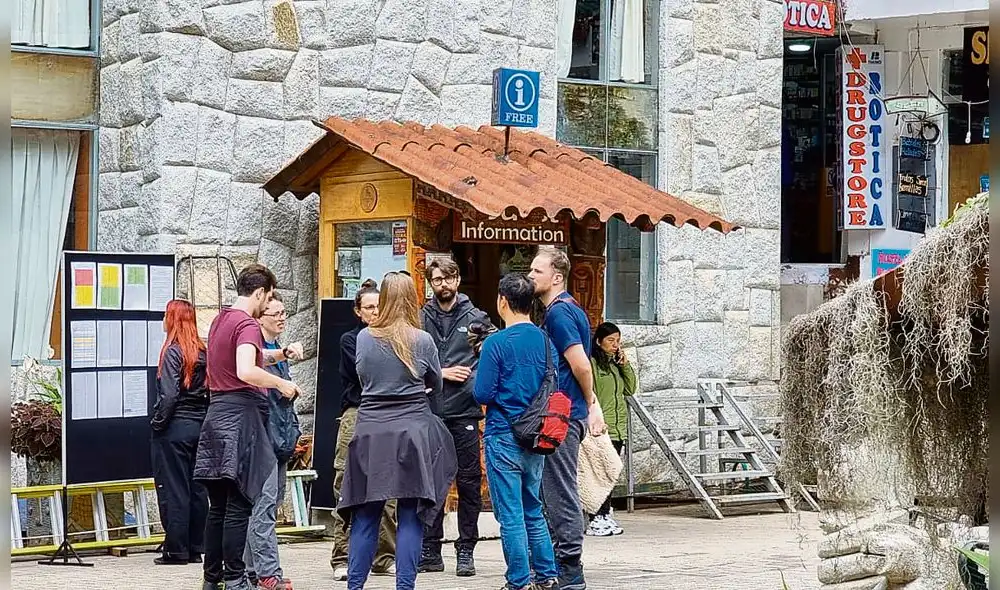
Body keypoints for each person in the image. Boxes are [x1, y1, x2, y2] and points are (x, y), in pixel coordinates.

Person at [337, 272, 457, 590]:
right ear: (412, 300)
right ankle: (405, 586)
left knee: (366, 512)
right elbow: (436, 384)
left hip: (371, 430)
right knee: (410, 513)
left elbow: (363, 378)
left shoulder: (365, 338)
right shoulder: (422, 340)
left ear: (385, 299)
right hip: (412, 430)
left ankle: (355, 585)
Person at [195, 264, 301, 590]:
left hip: (215, 418)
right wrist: (281, 384)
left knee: (218, 509)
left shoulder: (221, 320)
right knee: (239, 507)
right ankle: (236, 579)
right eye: (268, 297)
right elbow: (245, 370)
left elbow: (247, 358)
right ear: (259, 293)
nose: (267, 304)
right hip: (241, 421)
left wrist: (280, 354)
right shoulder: (247, 324)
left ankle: (212, 580)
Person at [472, 274, 560, 590]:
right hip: (537, 436)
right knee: (533, 508)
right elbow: (554, 387)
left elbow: (482, 393)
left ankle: (518, 581)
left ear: (502, 301)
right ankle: (547, 576)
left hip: (503, 434)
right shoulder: (546, 342)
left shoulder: (496, 343)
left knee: (510, 514)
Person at [528, 248, 607, 590]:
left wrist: (590, 402)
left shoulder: (559, 313)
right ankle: (556, 565)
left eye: (537, 271)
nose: (531, 276)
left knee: (558, 491)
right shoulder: (567, 309)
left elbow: (580, 364)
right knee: (554, 490)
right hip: (565, 411)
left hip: (561, 414)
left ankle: (570, 567)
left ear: (557, 277)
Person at [418, 258, 492, 577]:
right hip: (430, 409)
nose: (443, 285)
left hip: (465, 409)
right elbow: (410, 359)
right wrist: (441, 372)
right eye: (437, 280)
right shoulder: (421, 317)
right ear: (430, 283)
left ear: (458, 280)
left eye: (448, 279)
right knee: (432, 481)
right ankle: (431, 549)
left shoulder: (477, 318)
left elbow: (492, 354)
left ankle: (466, 549)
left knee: (469, 481)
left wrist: (477, 382)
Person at [330, 279, 397, 581]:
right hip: (357, 413)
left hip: (387, 414)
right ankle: (342, 557)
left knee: (390, 488)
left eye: (379, 307)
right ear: (358, 311)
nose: (375, 312)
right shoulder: (350, 339)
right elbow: (364, 374)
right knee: (347, 484)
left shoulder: (394, 338)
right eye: (369, 307)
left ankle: (385, 556)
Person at [243, 292, 303, 590]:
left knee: (269, 504)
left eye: (283, 313)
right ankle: (268, 572)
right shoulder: (255, 352)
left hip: (280, 438)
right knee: (264, 506)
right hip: (262, 438)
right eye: (275, 314)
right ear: (260, 317)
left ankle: (247, 569)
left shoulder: (278, 350)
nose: (281, 319)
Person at [151, 299, 210, 566]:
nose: (163, 320)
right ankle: (196, 546)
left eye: (166, 315)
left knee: (174, 488)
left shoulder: (172, 352)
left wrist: (158, 422)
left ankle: (176, 550)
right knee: (197, 488)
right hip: (200, 426)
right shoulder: (203, 352)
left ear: (172, 319)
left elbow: (169, 395)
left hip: (175, 427)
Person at [586, 322, 636, 537]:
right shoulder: (592, 364)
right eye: (610, 341)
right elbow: (589, 392)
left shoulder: (615, 365)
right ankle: (596, 516)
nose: (615, 345)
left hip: (618, 427)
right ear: (599, 341)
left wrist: (625, 365)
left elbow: (630, 388)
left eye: (618, 341)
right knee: (600, 474)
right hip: (600, 427)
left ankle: (605, 513)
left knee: (611, 473)